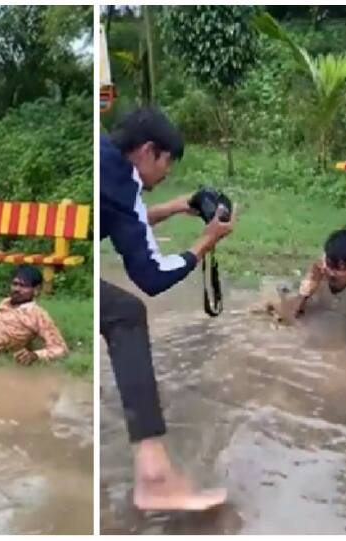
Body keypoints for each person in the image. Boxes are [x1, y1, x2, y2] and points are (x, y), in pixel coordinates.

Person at [100, 107, 237, 511]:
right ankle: (154, 476)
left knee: (121, 311)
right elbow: (152, 277)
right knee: (126, 314)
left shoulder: (106, 160)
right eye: (166, 165)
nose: (165, 175)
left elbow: (128, 221)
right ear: (147, 152)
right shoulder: (122, 185)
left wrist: (178, 206)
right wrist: (204, 243)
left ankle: (153, 472)